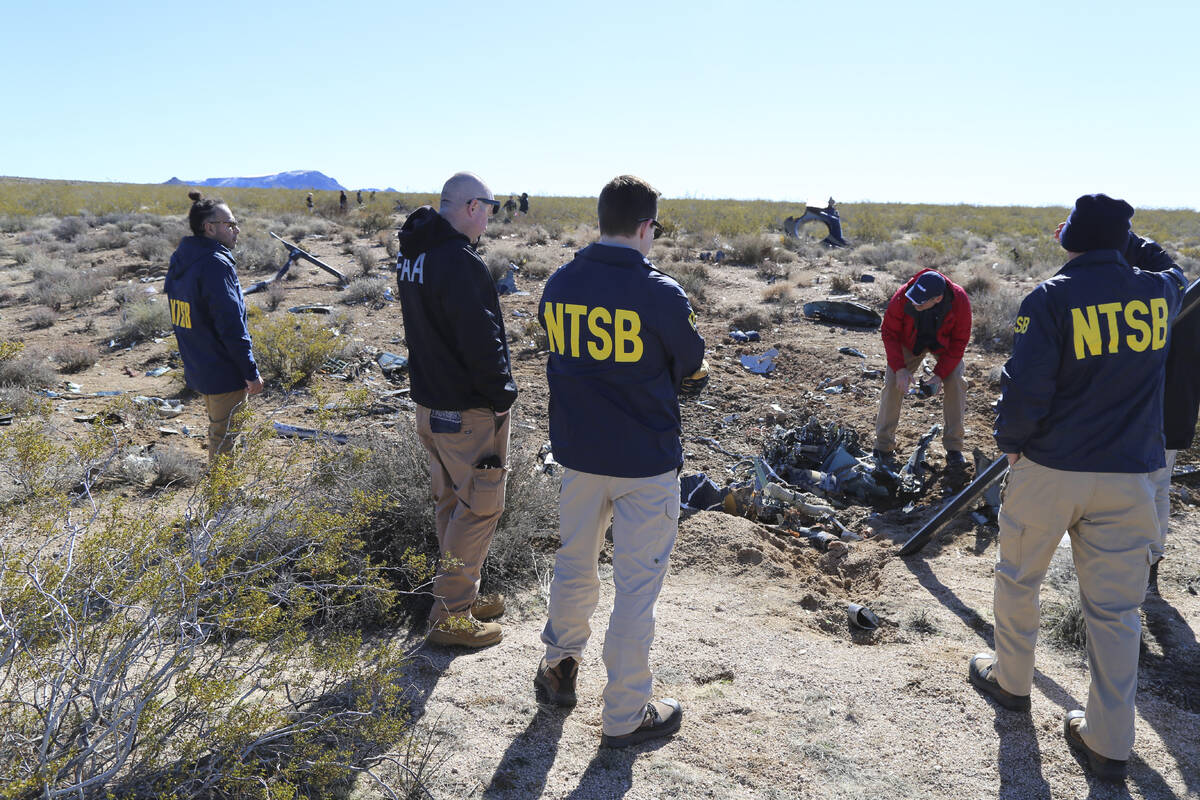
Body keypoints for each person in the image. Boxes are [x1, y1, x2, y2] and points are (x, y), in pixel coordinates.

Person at [969, 194, 1186, 782]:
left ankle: (1012, 681)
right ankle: (1109, 740)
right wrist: (1127, 243)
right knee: (1117, 611)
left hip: (1052, 469)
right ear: (1118, 241)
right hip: (1131, 476)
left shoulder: (1051, 297)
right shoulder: (1161, 292)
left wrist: (1010, 441)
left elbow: (1027, 386)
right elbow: (1174, 266)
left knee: (1019, 577)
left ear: (1070, 240)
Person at [534, 175, 708, 748]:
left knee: (574, 563)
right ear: (643, 226)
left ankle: (559, 665)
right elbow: (691, 365)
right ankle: (625, 714)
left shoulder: (559, 283)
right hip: (644, 460)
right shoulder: (660, 293)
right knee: (635, 589)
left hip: (579, 455)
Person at [394, 171, 514, 649]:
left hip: (431, 403)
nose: (490, 215)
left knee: (452, 503)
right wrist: (501, 395)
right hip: (468, 409)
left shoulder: (415, 255)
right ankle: (451, 615)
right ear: (470, 207)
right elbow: (479, 340)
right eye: (490, 205)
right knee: (481, 506)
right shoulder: (459, 262)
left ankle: (459, 596)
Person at [164, 191, 264, 463]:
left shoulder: (184, 258)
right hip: (222, 369)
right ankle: (222, 501)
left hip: (199, 363)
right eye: (230, 225)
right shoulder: (214, 264)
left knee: (221, 432)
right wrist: (250, 371)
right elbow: (230, 325)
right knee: (225, 438)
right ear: (209, 228)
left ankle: (225, 495)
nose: (236, 230)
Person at [874, 268, 972, 465]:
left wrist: (939, 375)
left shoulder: (959, 300)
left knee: (956, 382)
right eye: (913, 297)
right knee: (893, 382)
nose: (913, 301)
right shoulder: (903, 295)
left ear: (937, 299)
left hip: (943, 346)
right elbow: (889, 333)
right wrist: (900, 369)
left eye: (920, 300)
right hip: (909, 343)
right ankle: (883, 447)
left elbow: (959, 342)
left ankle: (954, 448)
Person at [1149, 276, 1200, 594]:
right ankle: (1151, 556)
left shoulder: (1172, 298)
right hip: (1176, 410)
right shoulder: (1183, 298)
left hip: (1155, 411)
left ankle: (1144, 559)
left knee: (1148, 486)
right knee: (1157, 486)